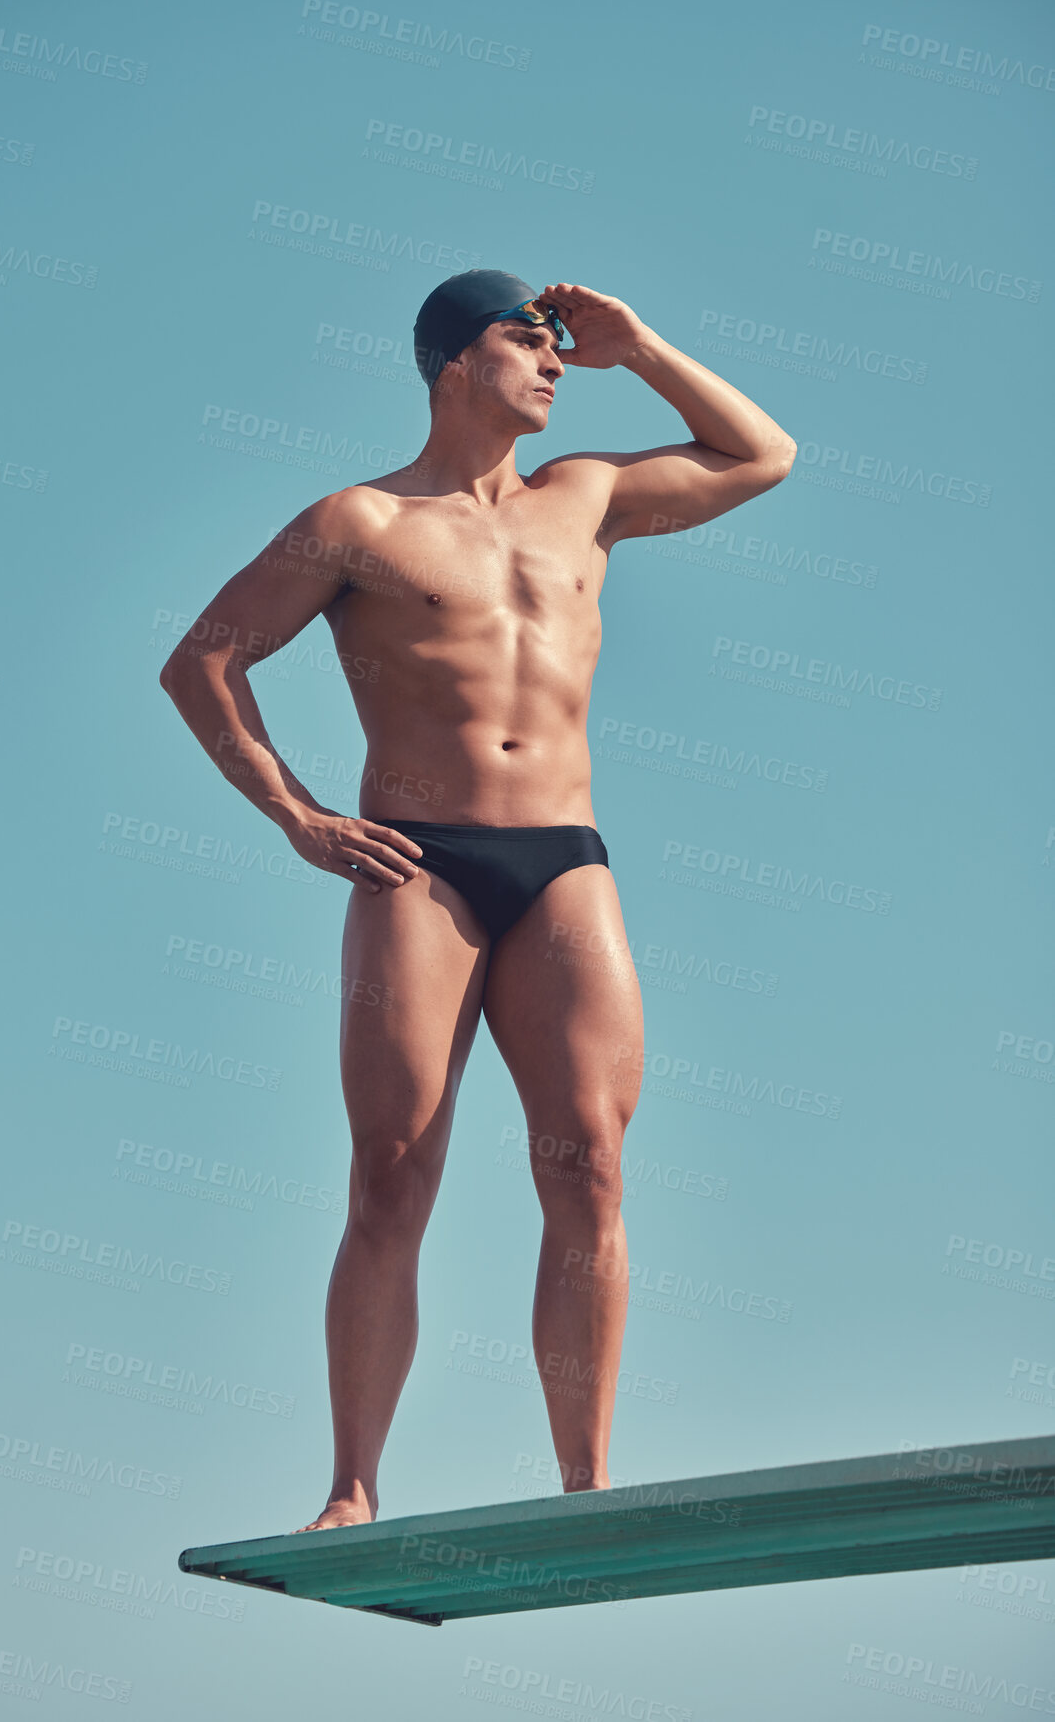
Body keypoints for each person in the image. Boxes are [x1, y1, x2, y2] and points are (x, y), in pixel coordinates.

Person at [159, 270, 796, 1531]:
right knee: (392, 1175)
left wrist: (643, 345)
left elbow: (763, 454)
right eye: (530, 341)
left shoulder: (589, 497)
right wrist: (296, 814)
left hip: (563, 858)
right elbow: (202, 662)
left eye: (563, 348)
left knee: (592, 1168)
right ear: (455, 361)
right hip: (417, 860)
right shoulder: (360, 521)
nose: (557, 364)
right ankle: (352, 1487)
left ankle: (585, 1483)